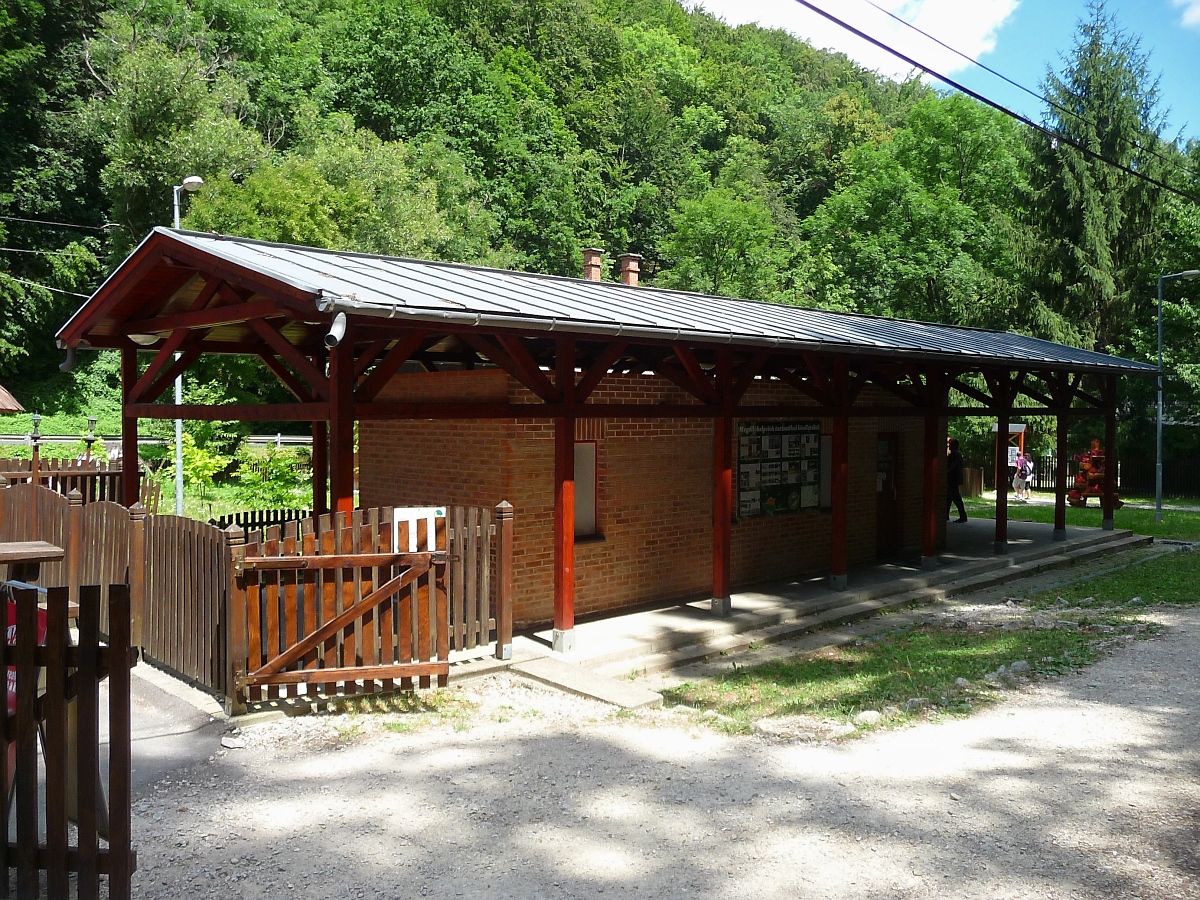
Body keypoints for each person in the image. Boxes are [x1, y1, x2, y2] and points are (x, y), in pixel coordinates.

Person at [946, 437, 967, 523]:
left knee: (955, 497)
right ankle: (946, 515)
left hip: (953, 478)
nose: (949, 446)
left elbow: (953, 465)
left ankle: (963, 516)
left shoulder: (955, 455)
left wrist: (947, 472)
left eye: (950, 445)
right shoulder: (958, 454)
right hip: (954, 478)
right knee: (949, 497)